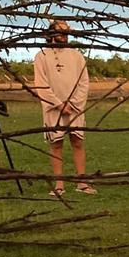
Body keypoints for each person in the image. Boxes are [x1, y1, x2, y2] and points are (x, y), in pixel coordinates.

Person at [33, 20, 94, 196]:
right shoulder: (41, 56)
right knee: (56, 144)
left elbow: (84, 82)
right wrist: (59, 104)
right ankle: (59, 184)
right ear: (51, 33)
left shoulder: (76, 55)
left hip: (74, 108)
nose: (64, 35)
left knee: (77, 142)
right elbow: (41, 84)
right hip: (53, 108)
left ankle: (82, 182)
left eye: (66, 31)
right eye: (60, 31)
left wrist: (73, 103)